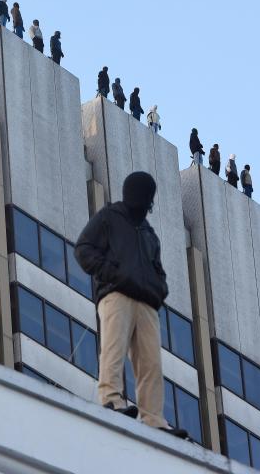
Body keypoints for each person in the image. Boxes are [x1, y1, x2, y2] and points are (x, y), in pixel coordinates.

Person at [75, 172, 188, 439]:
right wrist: (111, 273)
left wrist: (159, 289)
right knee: (113, 348)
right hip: (117, 295)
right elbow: (83, 248)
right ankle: (111, 398)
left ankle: (154, 418)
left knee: (151, 363)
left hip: (146, 303)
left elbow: (158, 269)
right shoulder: (109, 217)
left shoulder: (150, 234)